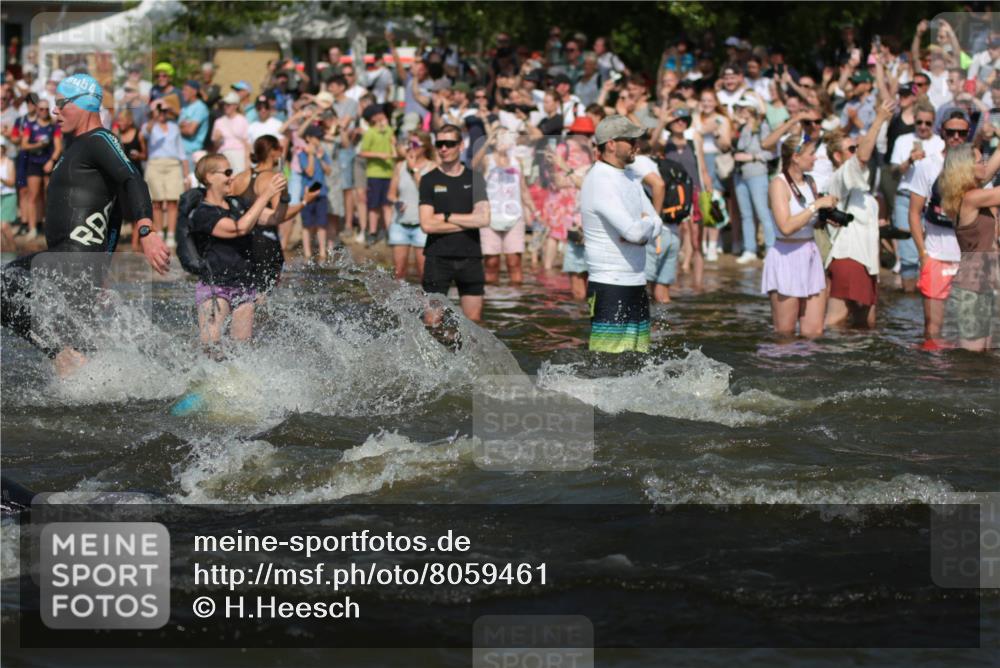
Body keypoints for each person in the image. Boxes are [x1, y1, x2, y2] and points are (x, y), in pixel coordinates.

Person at [1, 74, 169, 376]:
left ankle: (64, 357)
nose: (55, 111)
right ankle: (135, 382)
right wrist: (103, 266)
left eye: (61, 103)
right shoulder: (77, 147)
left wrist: (146, 230)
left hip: (74, 259)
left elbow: (132, 178)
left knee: (5, 286)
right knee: (80, 352)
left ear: (84, 104)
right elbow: (114, 213)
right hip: (75, 263)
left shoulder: (100, 140)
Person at [581, 115, 660, 353]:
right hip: (610, 284)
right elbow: (635, 233)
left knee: (639, 360)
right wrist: (642, 228)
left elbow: (656, 222)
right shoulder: (599, 180)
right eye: (631, 140)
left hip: (637, 281)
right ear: (611, 144)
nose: (638, 145)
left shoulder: (630, 176)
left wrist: (643, 227)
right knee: (607, 362)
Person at [190, 154, 285, 352]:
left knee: (242, 352)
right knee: (211, 350)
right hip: (215, 288)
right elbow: (239, 228)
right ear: (209, 177)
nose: (232, 177)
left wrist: (283, 196)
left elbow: (274, 218)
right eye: (227, 172)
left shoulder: (238, 204)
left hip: (244, 287)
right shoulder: (202, 212)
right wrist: (266, 195)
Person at [823, 101, 895, 329]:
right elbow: (863, 156)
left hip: (867, 261)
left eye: (856, 147)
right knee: (836, 319)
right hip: (848, 257)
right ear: (838, 156)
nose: (857, 152)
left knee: (866, 324)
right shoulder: (838, 178)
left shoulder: (859, 185)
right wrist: (879, 119)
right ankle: (820, 351)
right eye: (851, 149)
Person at [906, 111, 973, 342]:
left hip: (968, 259)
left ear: (968, 134)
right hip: (936, 255)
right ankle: (933, 365)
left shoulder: (977, 167)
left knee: (971, 331)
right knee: (933, 330)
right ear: (942, 132)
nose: (956, 137)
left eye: (961, 133)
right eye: (951, 132)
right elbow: (914, 212)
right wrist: (923, 254)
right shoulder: (927, 166)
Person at [765, 134, 838, 338]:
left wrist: (825, 217)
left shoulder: (810, 181)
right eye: (812, 154)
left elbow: (808, 219)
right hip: (786, 256)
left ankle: (810, 361)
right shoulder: (778, 184)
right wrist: (816, 206)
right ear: (796, 157)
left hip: (810, 254)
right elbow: (786, 227)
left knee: (814, 332)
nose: (816, 158)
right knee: (785, 333)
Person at [418, 124, 491, 324]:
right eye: (440, 144)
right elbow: (427, 225)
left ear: (461, 145)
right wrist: (468, 221)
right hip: (437, 257)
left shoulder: (475, 178)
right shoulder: (428, 180)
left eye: (449, 143)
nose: (444, 148)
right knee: (432, 321)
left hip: (470, 256)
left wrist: (446, 216)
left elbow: (484, 219)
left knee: (474, 320)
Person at [232, 135, 318, 296]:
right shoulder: (274, 179)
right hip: (265, 242)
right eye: (280, 148)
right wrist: (305, 202)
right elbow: (280, 216)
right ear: (273, 152)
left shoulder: (238, 178)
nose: (282, 151)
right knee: (264, 296)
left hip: (239, 242)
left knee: (241, 292)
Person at [939, 145, 1000, 351]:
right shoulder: (970, 199)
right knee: (970, 359)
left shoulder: (972, 195)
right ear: (966, 168)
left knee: (987, 356)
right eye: (980, 161)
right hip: (972, 289)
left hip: (986, 283)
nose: (985, 164)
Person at [890, 99, 943, 290]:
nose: (923, 126)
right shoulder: (903, 140)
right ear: (914, 120)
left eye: (928, 123)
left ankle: (928, 295)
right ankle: (909, 297)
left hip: (931, 201)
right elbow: (893, 172)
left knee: (932, 251)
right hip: (906, 197)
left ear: (934, 122)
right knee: (908, 254)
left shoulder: (940, 143)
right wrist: (909, 161)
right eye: (919, 122)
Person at [473, 125, 536, 286]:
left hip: (515, 217)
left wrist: (534, 211)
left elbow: (523, 188)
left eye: (507, 136)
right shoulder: (487, 159)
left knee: (514, 262)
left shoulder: (517, 161)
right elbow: (472, 166)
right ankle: (491, 296)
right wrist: (487, 143)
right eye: (500, 136)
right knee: (491, 263)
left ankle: (515, 297)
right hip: (489, 217)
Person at [550, 118, 595, 299]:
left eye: (589, 134)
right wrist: (576, 178)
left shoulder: (592, 150)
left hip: (588, 211)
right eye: (582, 133)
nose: (585, 137)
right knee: (575, 270)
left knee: (592, 277)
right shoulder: (563, 148)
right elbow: (558, 181)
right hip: (568, 206)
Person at [731, 97, 776, 263]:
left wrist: (751, 157)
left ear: (752, 109)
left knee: (763, 212)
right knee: (746, 214)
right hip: (740, 174)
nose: (740, 111)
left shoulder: (762, 127)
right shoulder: (741, 128)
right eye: (739, 108)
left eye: (744, 108)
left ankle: (771, 248)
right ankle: (749, 249)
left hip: (757, 174)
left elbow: (772, 153)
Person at [388, 131, 436, 280]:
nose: (410, 147)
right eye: (408, 143)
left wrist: (414, 168)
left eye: (414, 144)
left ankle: (424, 297)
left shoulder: (433, 167)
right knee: (398, 272)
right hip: (400, 223)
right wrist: (396, 202)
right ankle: (399, 297)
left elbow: (427, 192)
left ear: (425, 146)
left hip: (422, 226)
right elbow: (391, 194)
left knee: (424, 273)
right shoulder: (400, 166)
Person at [142, 97, 188, 248]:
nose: (162, 113)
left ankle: (171, 234)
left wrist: (186, 174)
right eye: (159, 110)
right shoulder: (149, 125)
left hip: (173, 164)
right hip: (155, 164)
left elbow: (181, 151)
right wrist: (154, 117)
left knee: (173, 201)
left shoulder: (174, 127)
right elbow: (146, 133)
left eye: (164, 110)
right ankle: (160, 232)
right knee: (156, 202)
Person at [20, 97, 60, 240]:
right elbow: (24, 145)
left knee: (49, 196)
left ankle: (49, 227)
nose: (43, 111)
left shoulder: (53, 126)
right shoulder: (30, 126)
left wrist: (51, 161)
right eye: (41, 109)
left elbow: (58, 147)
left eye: (46, 109)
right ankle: (32, 228)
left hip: (48, 163)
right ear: (37, 109)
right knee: (33, 196)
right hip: (34, 163)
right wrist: (38, 145)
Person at [359, 104, 396, 245]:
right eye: (379, 113)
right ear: (373, 117)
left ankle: (390, 233)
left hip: (389, 173)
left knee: (387, 205)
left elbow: (393, 147)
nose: (382, 114)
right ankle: (372, 232)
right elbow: (363, 152)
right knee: (373, 204)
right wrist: (379, 155)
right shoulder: (370, 133)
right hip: (374, 174)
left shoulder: (389, 130)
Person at [299, 124, 333, 262]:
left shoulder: (323, 153)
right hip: (307, 194)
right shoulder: (302, 154)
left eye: (320, 137)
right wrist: (311, 155)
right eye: (317, 137)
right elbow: (309, 172)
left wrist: (320, 158)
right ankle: (307, 253)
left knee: (321, 223)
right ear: (308, 138)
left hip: (322, 193)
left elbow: (329, 172)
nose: (319, 140)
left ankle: (322, 252)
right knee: (307, 224)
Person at [213, 92, 251, 173]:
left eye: (228, 104)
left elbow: (247, 143)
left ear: (236, 106)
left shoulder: (243, 120)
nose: (225, 107)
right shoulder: (218, 121)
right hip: (223, 154)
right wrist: (217, 139)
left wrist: (247, 162)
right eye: (224, 104)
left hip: (239, 154)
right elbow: (215, 145)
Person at [178, 80, 210, 171]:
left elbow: (190, 131)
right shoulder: (184, 107)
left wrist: (177, 128)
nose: (183, 92)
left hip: (191, 154)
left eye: (186, 90)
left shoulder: (200, 107)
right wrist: (182, 126)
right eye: (183, 90)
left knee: (189, 179)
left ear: (195, 92)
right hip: (180, 152)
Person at [0, 144, 16, 251]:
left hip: (8, 195)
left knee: (4, 226)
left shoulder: (9, 163)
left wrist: (1, 179)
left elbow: (11, 182)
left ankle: (13, 251)